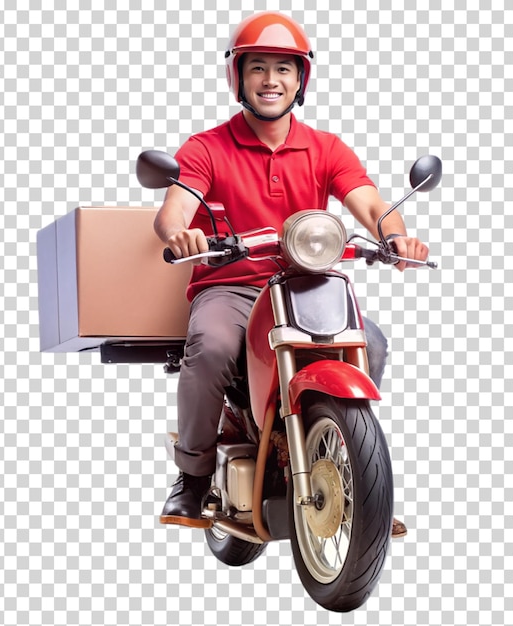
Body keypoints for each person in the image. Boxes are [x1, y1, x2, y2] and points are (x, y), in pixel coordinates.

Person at [154, 12, 427, 539]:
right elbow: (173, 210)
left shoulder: (326, 148)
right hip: (231, 283)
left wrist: (397, 236)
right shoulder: (207, 147)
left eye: (284, 69)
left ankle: (359, 481)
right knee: (210, 348)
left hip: (308, 284)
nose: (271, 80)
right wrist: (180, 233)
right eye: (258, 67)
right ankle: (191, 475)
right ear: (238, 77)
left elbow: (369, 203)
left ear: (301, 79)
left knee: (372, 341)